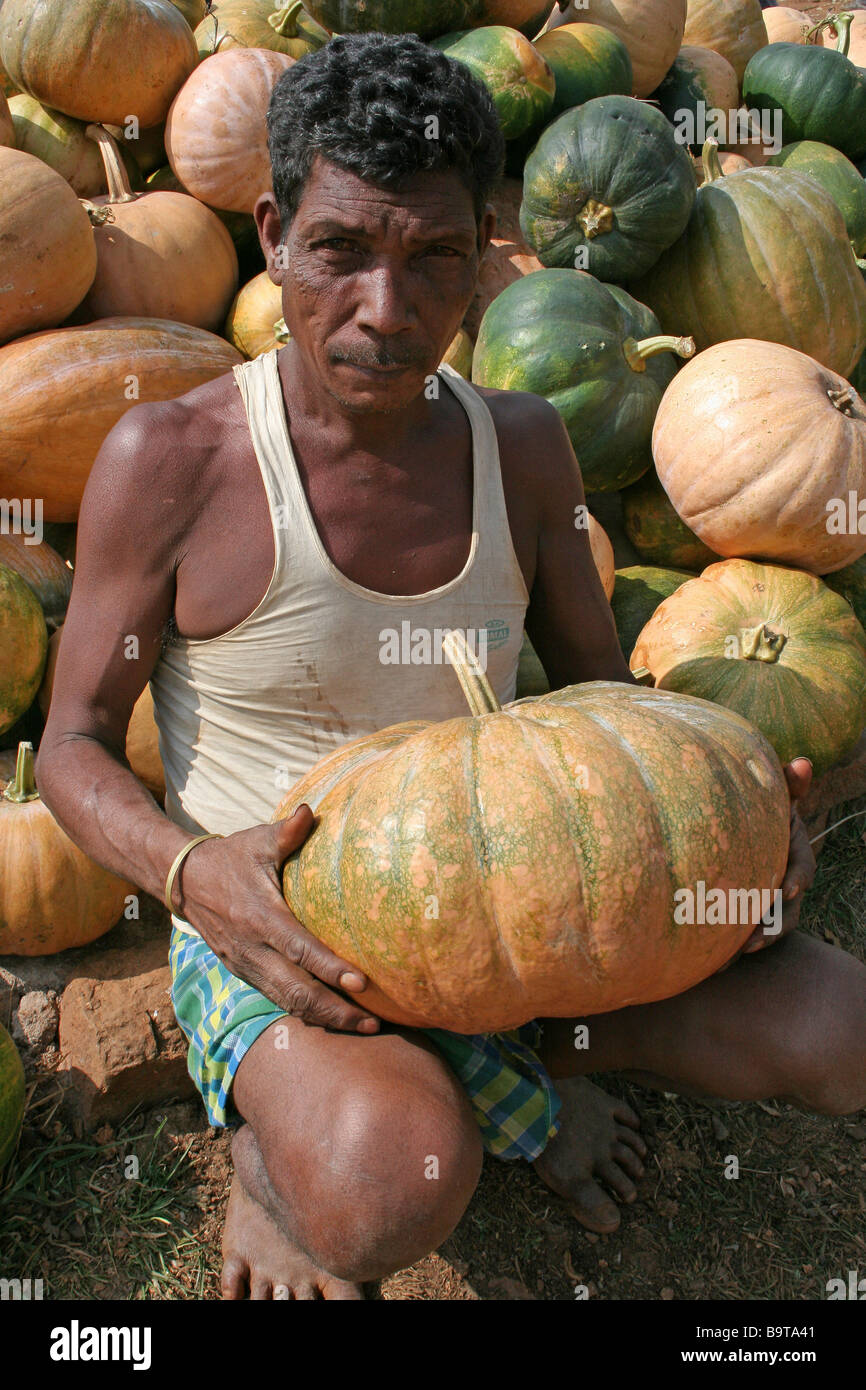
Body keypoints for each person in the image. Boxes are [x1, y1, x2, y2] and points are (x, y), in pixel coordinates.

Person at [37, 33, 865, 1301]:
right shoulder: (174, 460)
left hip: (515, 898)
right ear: (269, 234)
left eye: (432, 258)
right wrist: (196, 876)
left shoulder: (523, 446)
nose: (385, 307)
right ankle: (288, 1161)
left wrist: (732, 830)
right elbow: (74, 744)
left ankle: (516, 1068)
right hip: (288, 937)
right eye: (338, 252)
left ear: (485, 251)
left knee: (837, 1029)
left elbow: (604, 700)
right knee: (395, 1182)